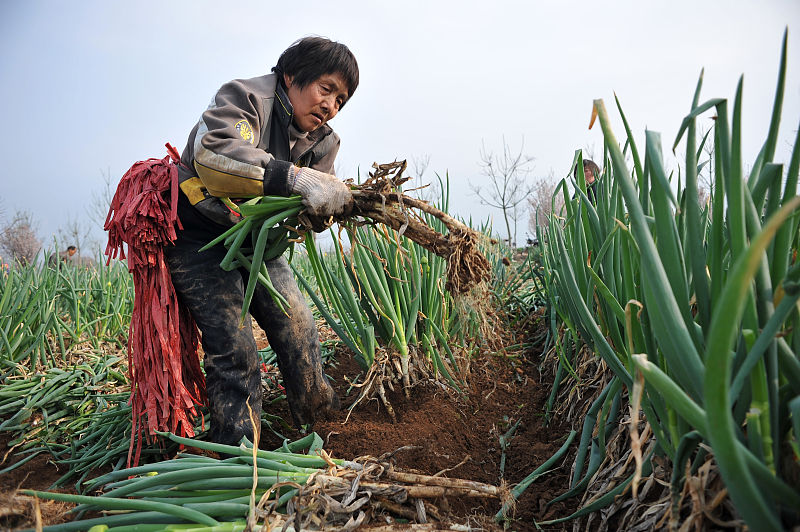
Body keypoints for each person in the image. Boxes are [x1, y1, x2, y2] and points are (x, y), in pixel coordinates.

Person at [166, 36, 358, 446]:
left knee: (300, 326)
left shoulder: (325, 142)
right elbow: (214, 153)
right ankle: (238, 455)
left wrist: (327, 208)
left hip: (256, 241)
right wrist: (292, 177)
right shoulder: (247, 98)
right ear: (291, 76)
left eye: (340, 100)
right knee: (235, 348)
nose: (330, 106)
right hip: (200, 234)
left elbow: (308, 214)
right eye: (326, 89)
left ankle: (324, 429)